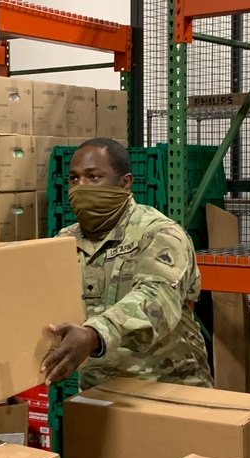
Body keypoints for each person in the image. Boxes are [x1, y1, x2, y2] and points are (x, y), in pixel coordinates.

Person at [41, 137, 213, 390]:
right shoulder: (65, 241)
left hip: (168, 387)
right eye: (74, 178)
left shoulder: (160, 233)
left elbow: (157, 300)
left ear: (125, 183)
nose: (81, 187)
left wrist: (93, 335)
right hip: (100, 392)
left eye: (93, 176)